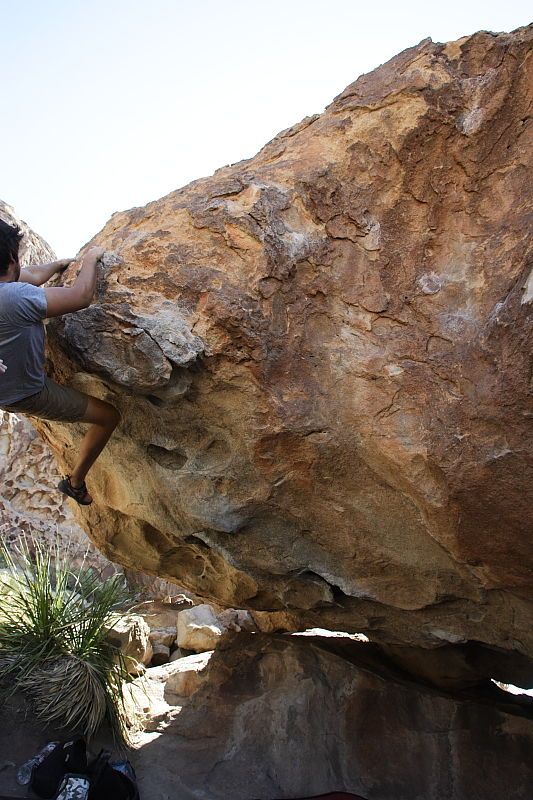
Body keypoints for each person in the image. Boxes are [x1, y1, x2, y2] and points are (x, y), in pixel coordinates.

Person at [0, 219, 120, 505]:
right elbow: (80, 297)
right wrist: (91, 258)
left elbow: (28, 275)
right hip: (26, 392)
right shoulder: (14, 297)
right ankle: (75, 482)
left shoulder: (12, 290)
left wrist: (57, 266)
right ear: (11, 257)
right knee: (109, 416)